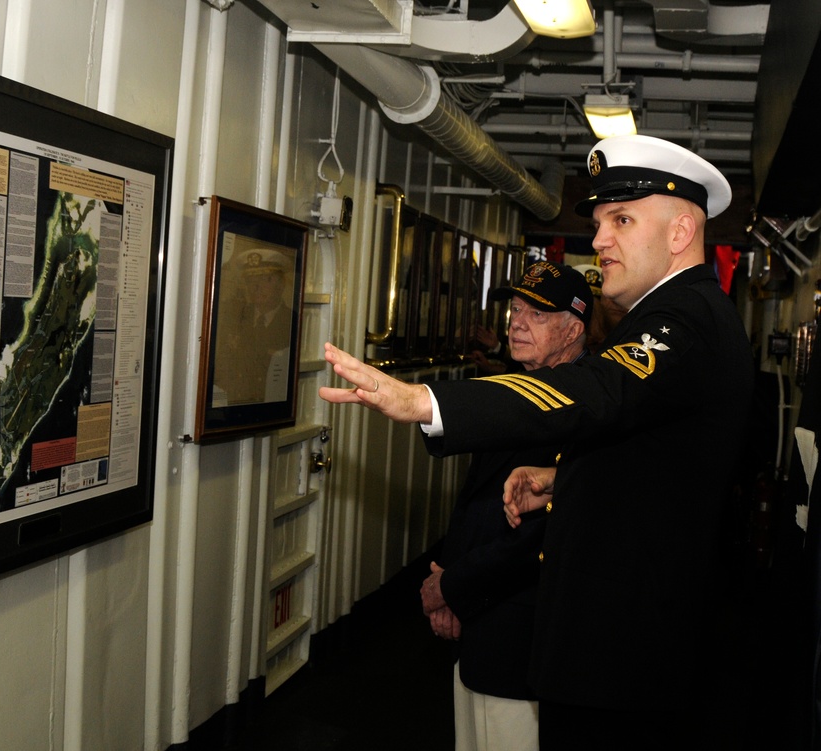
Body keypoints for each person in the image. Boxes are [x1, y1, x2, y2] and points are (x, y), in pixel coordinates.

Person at [319, 134, 755, 750]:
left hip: (623, 657)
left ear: (681, 231)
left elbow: (602, 391)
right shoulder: (680, 313)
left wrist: (424, 400)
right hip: (617, 648)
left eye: (621, 220)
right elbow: (657, 457)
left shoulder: (683, 320)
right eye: (601, 222)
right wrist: (561, 478)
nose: (600, 240)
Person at [420, 262, 592, 751]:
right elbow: (477, 502)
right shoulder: (520, 393)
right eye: (515, 308)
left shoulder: (584, 407)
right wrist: (453, 584)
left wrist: (450, 586)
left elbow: (535, 537)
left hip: (525, 633)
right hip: (482, 615)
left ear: (573, 330)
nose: (516, 322)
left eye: (536, 314)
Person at [214, 248, 294, 405]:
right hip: (235, 405)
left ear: (282, 284)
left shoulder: (292, 321)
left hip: (273, 409)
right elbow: (222, 364)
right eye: (251, 281)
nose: (257, 287)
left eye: (266, 279)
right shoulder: (236, 316)